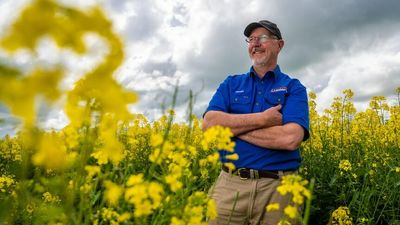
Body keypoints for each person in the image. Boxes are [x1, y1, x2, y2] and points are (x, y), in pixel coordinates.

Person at [202, 20, 310, 225]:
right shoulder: (230, 84)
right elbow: (209, 125)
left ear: (280, 44)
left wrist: (230, 127)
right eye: (251, 39)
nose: (255, 43)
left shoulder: (293, 87)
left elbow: (290, 138)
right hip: (229, 185)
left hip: (280, 188)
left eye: (263, 38)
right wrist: (263, 119)